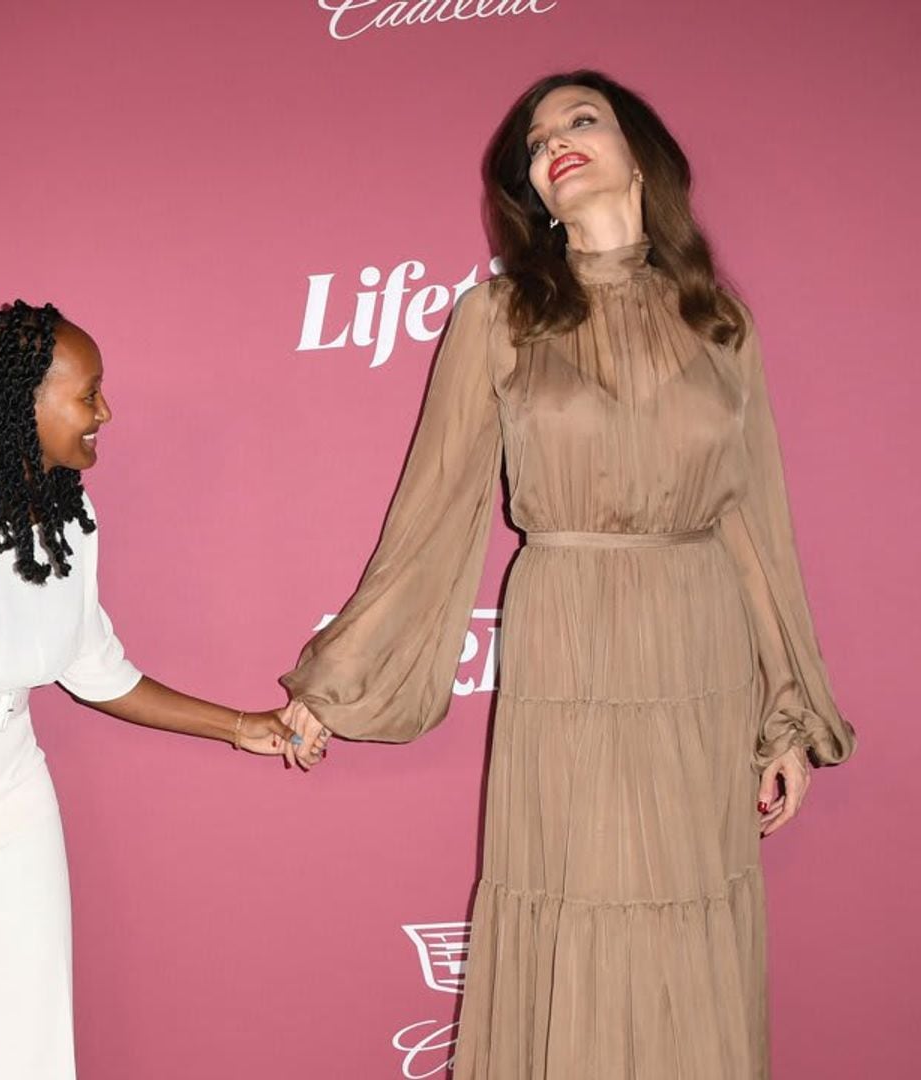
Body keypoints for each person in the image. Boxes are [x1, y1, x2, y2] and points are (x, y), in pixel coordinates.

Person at [281, 70, 857, 1078]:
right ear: (535, 197)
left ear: (641, 154)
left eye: (580, 121)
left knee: (690, 904)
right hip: (572, 639)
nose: (555, 144)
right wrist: (339, 682)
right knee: (574, 898)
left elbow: (753, 525)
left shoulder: (723, 324)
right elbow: (432, 513)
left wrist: (784, 715)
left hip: (697, 643)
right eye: (536, 145)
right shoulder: (499, 319)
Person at [0, 301, 296, 1080]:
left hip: (14, 797)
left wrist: (241, 725)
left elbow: (95, 668)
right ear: (26, 401)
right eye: (89, 395)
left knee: (32, 1037)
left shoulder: (70, 514)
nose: (105, 412)